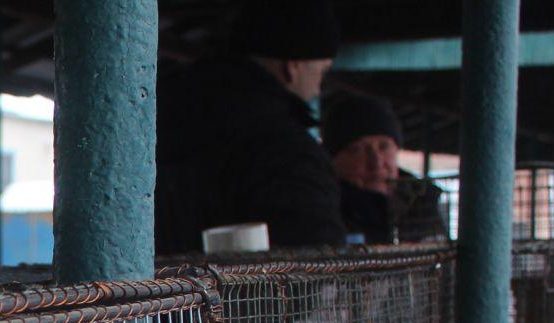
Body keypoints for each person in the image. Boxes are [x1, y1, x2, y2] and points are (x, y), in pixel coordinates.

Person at [155, 0, 347, 256]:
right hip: (230, 295)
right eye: (321, 73)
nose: (317, 88)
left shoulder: (166, 107)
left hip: (149, 289)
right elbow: (316, 258)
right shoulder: (284, 146)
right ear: (293, 68)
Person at [321, 90, 449, 244]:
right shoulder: (320, 207)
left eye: (384, 146)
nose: (376, 162)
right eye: (358, 150)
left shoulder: (424, 202)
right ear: (333, 161)